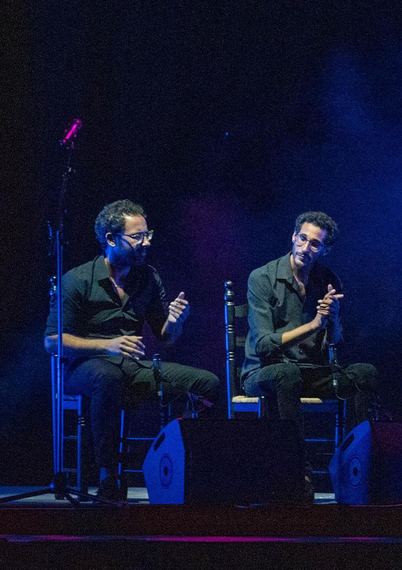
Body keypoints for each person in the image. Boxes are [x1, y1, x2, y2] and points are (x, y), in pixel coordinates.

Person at [45, 199, 220, 501]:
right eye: (137, 236)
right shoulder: (78, 279)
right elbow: (52, 341)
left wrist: (176, 321)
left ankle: (189, 470)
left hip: (133, 368)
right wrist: (108, 344)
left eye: (147, 234)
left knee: (207, 384)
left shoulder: (147, 277)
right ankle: (108, 477)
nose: (146, 242)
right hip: (85, 368)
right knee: (108, 377)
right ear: (111, 239)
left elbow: (165, 337)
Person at [241, 211, 379, 431]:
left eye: (314, 244)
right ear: (294, 236)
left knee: (365, 373)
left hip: (311, 371)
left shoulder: (329, 281)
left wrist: (332, 318)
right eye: (303, 239)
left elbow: (334, 344)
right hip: (265, 373)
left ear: (325, 250)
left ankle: (358, 449)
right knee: (287, 373)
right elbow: (263, 345)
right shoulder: (262, 277)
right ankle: (295, 452)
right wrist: (314, 325)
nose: (305, 248)